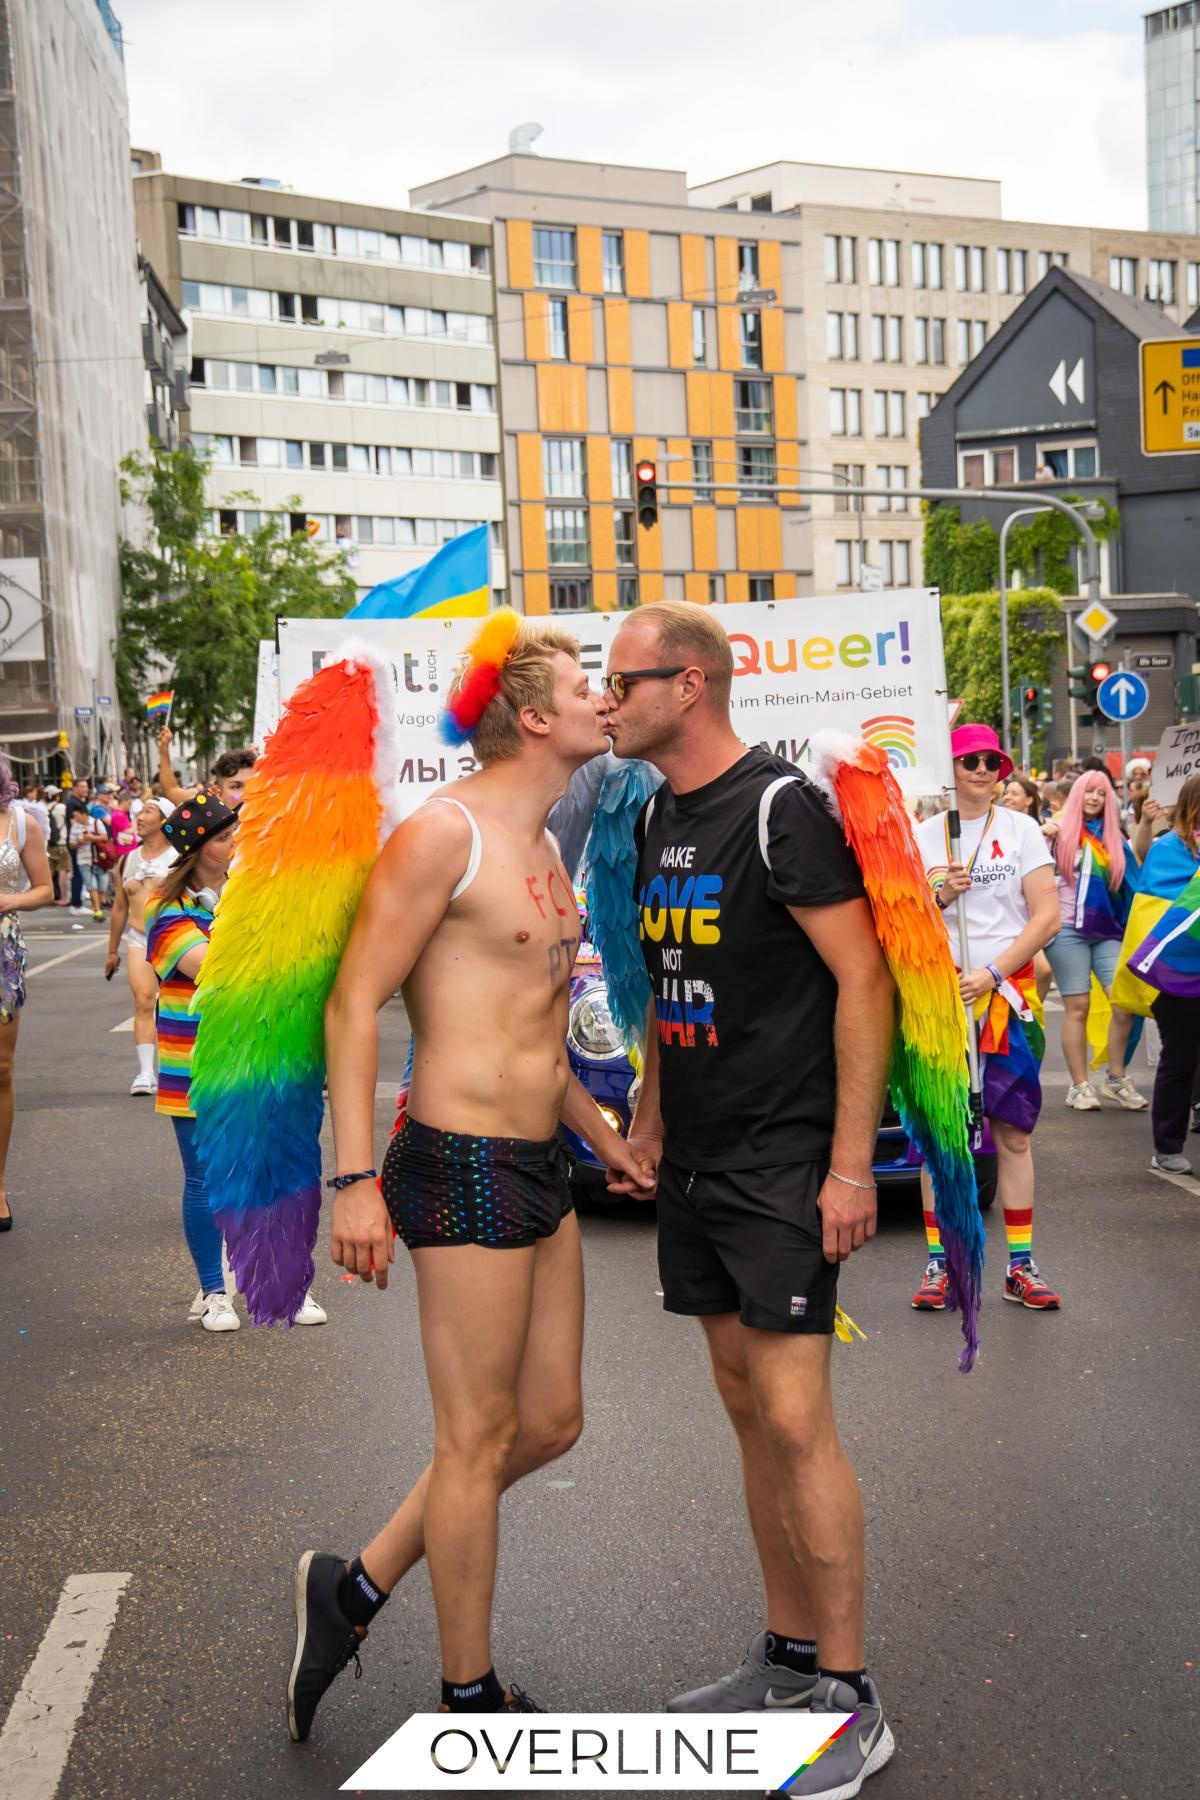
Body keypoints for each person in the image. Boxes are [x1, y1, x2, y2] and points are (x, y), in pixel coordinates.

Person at [287, 617, 654, 1742]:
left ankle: (354, 1588)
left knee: (550, 1423)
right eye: (586, 687)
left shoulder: (542, 842)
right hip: (460, 1165)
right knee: (475, 1438)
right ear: (534, 717)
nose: (606, 699)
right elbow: (353, 1004)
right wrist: (355, 1181)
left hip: (541, 1159)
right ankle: (468, 1700)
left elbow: (536, 1033)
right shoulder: (443, 834)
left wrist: (604, 1139)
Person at [603, 602, 897, 1798]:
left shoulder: (780, 808)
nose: (607, 701)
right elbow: (668, 976)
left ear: (689, 684)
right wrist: (651, 1113)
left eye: (622, 681)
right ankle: (786, 1659)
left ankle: (851, 1700)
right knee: (745, 1410)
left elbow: (863, 980)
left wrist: (847, 1166)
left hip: (782, 1160)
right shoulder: (655, 813)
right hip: (696, 1161)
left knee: (794, 1419)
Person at [912, 724, 1062, 1312]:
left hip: (1004, 999)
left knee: (1014, 1135)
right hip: (941, 1004)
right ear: (948, 767)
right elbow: (898, 923)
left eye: (991, 762)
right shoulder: (921, 837)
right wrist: (941, 897)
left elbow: (1046, 916)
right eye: (969, 760)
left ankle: (1020, 1266)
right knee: (942, 1139)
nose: (981, 770)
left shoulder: (1020, 830)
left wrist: (994, 973)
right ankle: (940, 1263)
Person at [1041, 771, 1146, 1112]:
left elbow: (1134, 881)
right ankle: (1079, 1086)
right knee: (1078, 1006)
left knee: (1124, 1004)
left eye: (1101, 793)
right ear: (1077, 794)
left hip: (1107, 931)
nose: (1094, 798)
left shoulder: (1116, 839)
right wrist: (1042, 834)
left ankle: (1116, 1078)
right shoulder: (1056, 834)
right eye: (1089, 791)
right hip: (1067, 929)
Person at [0, 756, 53, 1230]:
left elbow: (44, 889)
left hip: (2, 951)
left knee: (1, 1069)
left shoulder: (20, 821)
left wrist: (10, 900)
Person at [1140, 773, 1200, 1175]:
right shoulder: (1166, 850)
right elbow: (1152, 911)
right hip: (1176, 974)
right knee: (1180, 1059)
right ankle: (1167, 1146)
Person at [105, 798, 176, 1096]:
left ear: (165, 819)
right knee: (144, 1000)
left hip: (174, 939)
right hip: (138, 939)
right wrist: (112, 951)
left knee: (178, 1005)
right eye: (140, 811)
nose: (140, 816)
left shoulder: (179, 856)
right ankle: (147, 1072)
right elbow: (120, 908)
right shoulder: (127, 860)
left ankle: (181, 1068)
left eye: (148, 811)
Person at [1001, 773, 1053, 1004]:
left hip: (1044, 910)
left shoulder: (1047, 828)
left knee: (1043, 971)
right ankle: (1027, 1012)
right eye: (1006, 793)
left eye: (1014, 793)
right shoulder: (999, 827)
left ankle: (1030, 1012)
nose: (1007, 797)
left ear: (1029, 799)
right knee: (1040, 969)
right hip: (1015, 914)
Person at [157, 727, 255, 810]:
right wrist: (164, 748)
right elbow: (171, 789)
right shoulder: (209, 815)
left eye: (253, 785)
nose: (246, 794)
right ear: (219, 794)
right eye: (236, 787)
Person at [64, 776, 90, 911]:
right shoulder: (73, 803)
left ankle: (77, 902)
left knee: (79, 872)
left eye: (86, 786)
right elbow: (75, 822)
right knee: (78, 872)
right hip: (77, 842)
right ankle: (76, 904)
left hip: (79, 841)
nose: (85, 789)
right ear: (74, 788)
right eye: (82, 787)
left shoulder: (78, 801)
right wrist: (80, 838)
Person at [44, 787, 70, 905]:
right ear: (57, 796)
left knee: (50, 872)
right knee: (63, 871)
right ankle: (64, 898)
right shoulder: (61, 807)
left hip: (49, 844)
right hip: (61, 843)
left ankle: (49, 897)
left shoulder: (44, 808)